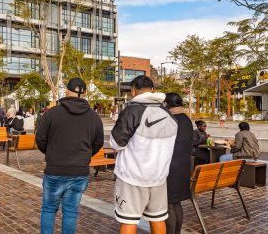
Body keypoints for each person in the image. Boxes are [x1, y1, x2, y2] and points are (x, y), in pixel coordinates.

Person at [110, 75, 177, 234]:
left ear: (133, 91)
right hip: (159, 177)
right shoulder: (168, 114)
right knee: (158, 218)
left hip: (132, 177)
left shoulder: (132, 111)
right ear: (153, 90)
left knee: (128, 220)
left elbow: (115, 143)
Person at [36, 77, 104, 234]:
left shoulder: (52, 113)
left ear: (66, 91)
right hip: (79, 171)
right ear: (85, 94)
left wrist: (52, 152)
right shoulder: (94, 117)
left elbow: (40, 139)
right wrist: (84, 155)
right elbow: (97, 142)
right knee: (71, 212)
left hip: (55, 170)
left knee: (48, 209)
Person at [164, 93, 193, 234]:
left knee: (168, 205)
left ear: (167, 104)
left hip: (171, 167)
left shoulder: (171, 119)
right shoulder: (187, 120)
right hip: (184, 167)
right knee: (177, 203)